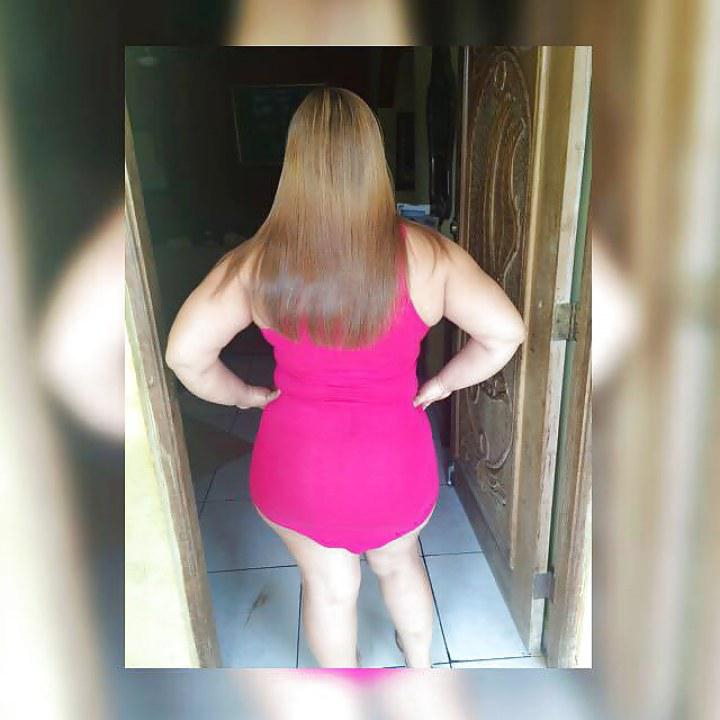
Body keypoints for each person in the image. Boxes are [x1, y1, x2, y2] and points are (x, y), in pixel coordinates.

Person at [165, 86, 526, 668]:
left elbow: (185, 355)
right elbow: (505, 333)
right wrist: (441, 386)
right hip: (394, 466)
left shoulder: (255, 262)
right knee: (400, 567)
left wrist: (248, 396)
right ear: (372, 163)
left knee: (330, 591)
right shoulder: (429, 256)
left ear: (295, 168)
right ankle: (421, 671)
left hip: (297, 469)